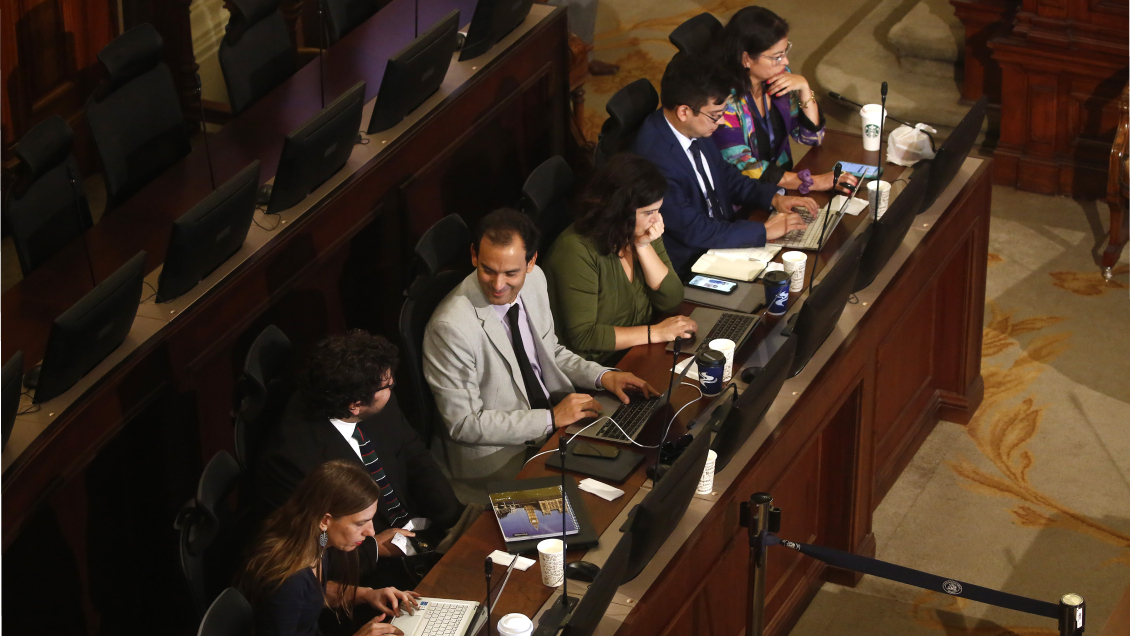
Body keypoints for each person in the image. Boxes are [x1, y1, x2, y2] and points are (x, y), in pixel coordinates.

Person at [423, 209, 658, 483]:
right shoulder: (449, 327)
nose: (498, 285)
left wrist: (603, 375)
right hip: (503, 460)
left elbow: (551, 352)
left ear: (531, 261)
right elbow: (464, 424)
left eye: (511, 273)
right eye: (488, 270)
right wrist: (550, 418)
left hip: (553, 426)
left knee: (639, 457)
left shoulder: (535, 280)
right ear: (474, 255)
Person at [254, 331, 465, 588]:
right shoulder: (292, 461)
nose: (392, 385)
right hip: (364, 570)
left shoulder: (372, 393)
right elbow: (314, 545)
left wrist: (454, 521)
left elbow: (413, 453)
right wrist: (374, 549)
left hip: (417, 527)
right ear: (354, 405)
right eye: (387, 386)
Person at [631, 53, 817, 274]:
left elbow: (725, 176)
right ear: (684, 112)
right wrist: (763, 231)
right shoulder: (655, 159)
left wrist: (772, 198)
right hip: (692, 262)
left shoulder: (693, 125)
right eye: (716, 115)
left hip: (724, 236)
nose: (722, 122)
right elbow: (692, 229)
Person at [543, 153, 697, 364]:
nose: (656, 221)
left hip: (638, 351)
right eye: (648, 213)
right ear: (618, 211)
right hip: (598, 369)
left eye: (658, 210)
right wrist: (657, 333)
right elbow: (584, 336)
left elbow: (671, 300)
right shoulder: (576, 250)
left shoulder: (641, 233)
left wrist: (643, 246)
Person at [238, 460, 419, 636]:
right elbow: (299, 594)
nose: (371, 532)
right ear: (325, 521)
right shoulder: (288, 582)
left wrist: (368, 594)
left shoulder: (315, 540)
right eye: (360, 523)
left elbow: (313, 594)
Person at [712, 7, 855, 194]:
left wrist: (805, 88)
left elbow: (812, 137)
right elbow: (744, 166)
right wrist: (813, 182)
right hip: (745, 197)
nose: (786, 61)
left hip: (783, 183)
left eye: (785, 51)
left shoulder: (778, 80)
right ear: (746, 58)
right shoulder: (722, 101)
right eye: (777, 57)